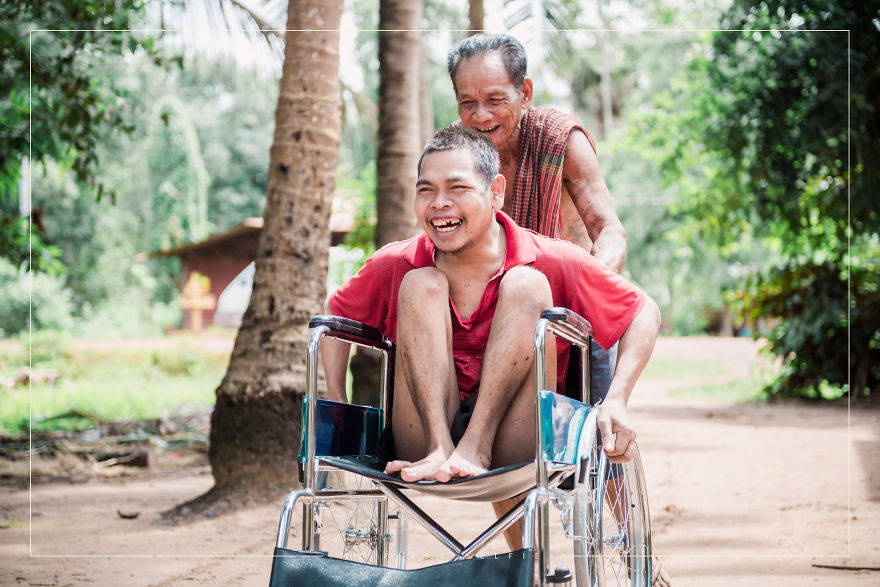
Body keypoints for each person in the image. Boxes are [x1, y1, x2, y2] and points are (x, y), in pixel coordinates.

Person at [447, 34, 671, 586]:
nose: (480, 115)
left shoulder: (560, 140)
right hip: (502, 319)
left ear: (524, 92)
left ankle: (641, 564)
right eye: (467, 102)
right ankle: (529, 566)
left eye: (495, 99)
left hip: (574, 313)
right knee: (497, 441)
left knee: (604, 443)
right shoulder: (460, 154)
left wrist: (586, 285)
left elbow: (609, 230)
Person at [322, 125, 659, 488]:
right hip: (422, 440)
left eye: (457, 187)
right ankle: (440, 448)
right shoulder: (396, 263)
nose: (439, 203)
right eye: (426, 190)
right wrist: (338, 401)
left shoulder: (555, 261)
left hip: (519, 441)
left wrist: (616, 400)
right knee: (420, 283)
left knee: (526, 283)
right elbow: (335, 313)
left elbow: (643, 312)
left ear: (496, 192)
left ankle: (475, 447)